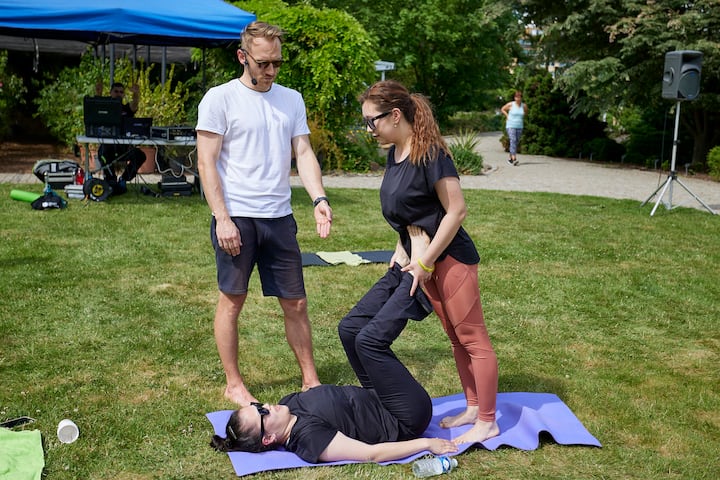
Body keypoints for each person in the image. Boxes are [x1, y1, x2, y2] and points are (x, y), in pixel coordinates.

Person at [195, 21, 332, 407]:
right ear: (243, 57)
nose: (271, 70)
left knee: (296, 303)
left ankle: (311, 381)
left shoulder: (291, 99)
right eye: (263, 63)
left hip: (279, 217)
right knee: (232, 300)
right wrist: (222, 218)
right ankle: (233, 384)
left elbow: (303, 152)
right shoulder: (220, 99)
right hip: (237, 217)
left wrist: (319, 198)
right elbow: (206, 163)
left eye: (277, 63)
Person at [358, 80, 499, 446]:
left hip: (449, 257)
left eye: (372, 121)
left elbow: (457, 211)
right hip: (423, 258)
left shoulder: (431, 154)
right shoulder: (395, 154)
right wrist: (402, 247)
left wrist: (426, 261)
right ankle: (472, 408)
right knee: (454, 337)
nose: (369, 129)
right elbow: (408, 210)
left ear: (395, 115)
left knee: (473, 338)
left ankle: (488, 421)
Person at [210, 290, 457, 464]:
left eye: (257, 405)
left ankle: (400, 272)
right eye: (262, 413)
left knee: (349, 330)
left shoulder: (288, 405)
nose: (266, 405)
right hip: (404, 417)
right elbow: (371, 454)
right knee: (369, 343)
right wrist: (426, 444)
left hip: (377, 397)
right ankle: (418, 287)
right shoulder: (309, 440)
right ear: (268, 438)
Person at [94, 81, 146, 194]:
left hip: (124, 148)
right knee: (102, 153)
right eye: (116, 91)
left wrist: (136, 94)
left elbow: (134, 105)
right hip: (108, 147)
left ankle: (124, 179)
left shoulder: (126, 108)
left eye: (121, 92)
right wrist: (98, 93)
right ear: (110, 93)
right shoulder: (105, 107)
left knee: (140, 155)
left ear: (123, 94)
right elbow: (97, 105)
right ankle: (111, 181)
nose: (118, 94)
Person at [501, 90, 528, 166]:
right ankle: (514, 158)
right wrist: (507, 116)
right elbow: (502, 109)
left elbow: (526, 112)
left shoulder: (524, 106)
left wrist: (521, 117)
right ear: (514, 98)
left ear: (521, 98)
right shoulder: (511, 104)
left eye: (519, 97)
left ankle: (510, 159)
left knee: (516, 142)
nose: (518, 99)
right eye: (516, 97)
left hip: (519, 126)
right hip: (510, 125)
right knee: (513, 140)